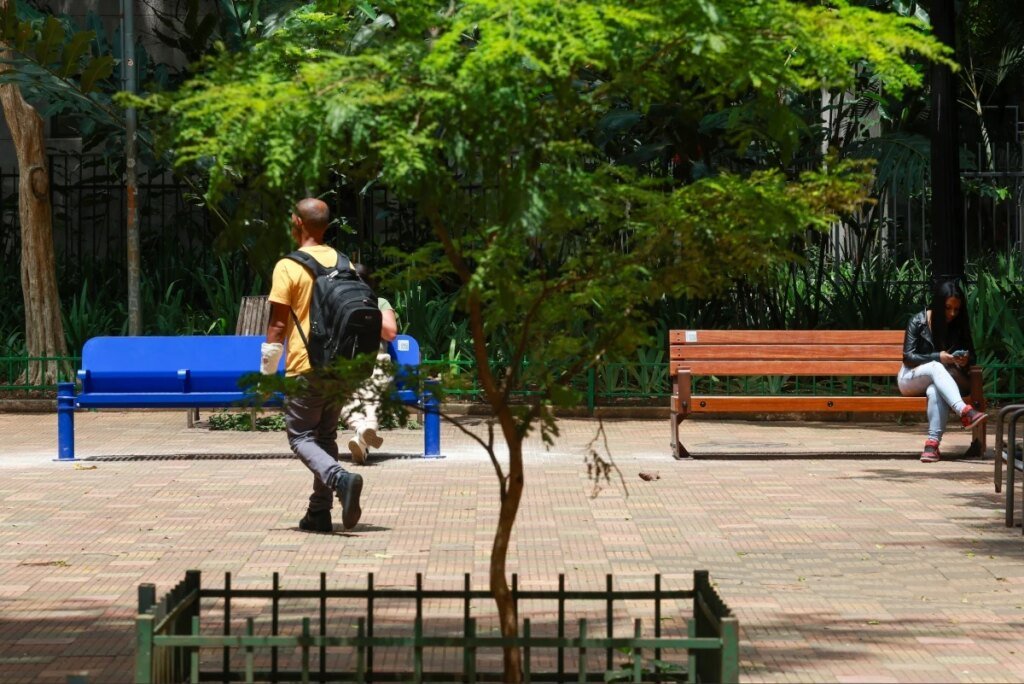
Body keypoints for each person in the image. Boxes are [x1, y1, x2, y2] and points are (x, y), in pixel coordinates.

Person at [260, 198, 365, 533]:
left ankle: (339, 478)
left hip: (306, 365)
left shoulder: (288, 266)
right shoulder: (344, 262)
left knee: (301, 436)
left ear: (297, 222)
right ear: (326, 225)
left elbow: (278, 325)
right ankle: (319, 513)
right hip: (340, 365)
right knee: (325, 435)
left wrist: (267, 374)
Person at [898, 279, 987, 463]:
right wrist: (938, 357)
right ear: (938, 305)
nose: (952, 313)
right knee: (936, 365)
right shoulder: (918, 321)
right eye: (947, 308)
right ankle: (964, 411)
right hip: (910, 378)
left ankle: (932, 446)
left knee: (935, 390)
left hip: (942, 382)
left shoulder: (958, 325)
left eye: (956, 309)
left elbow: (972, 357)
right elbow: (908, 357)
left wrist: (964, 360)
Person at [344, 263, 399, 464]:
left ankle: (361, 434)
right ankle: (363, 433)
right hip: (346, 362)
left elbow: (390, 333)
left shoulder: (380, 303)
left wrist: (367, 309)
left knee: (371, 399)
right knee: (340, 396)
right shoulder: (339, 303)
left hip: (376, 361)